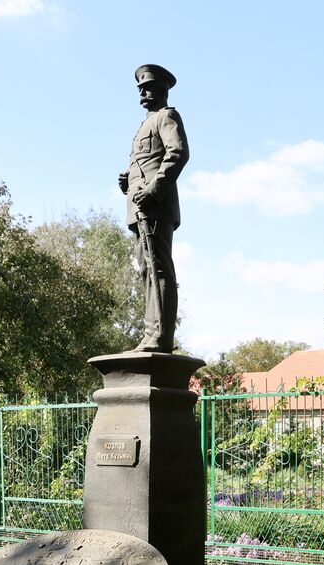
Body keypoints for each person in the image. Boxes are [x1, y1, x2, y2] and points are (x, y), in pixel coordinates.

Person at [118, 64, 188, 353]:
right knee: (146, 270)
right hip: (139, 209)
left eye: (148, 88)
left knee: (159, 269)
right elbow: (145, 163)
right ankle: (150, 335)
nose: (143, 93)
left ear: (162, 90)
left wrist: (153, 190)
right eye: (140, 89)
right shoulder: (143, 126)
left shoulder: (167, 117)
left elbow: (178, 153)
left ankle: (161, 337)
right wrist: (128, 180)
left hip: (155, 207)